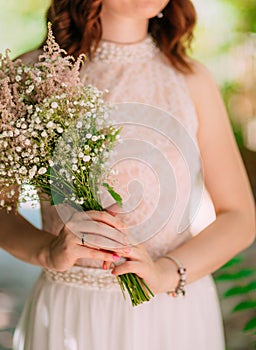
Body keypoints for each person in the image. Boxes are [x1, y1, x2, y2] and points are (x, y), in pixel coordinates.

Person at [0, 0, 255, 349]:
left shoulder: (191, 79)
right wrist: (47, 252)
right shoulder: (28, 77)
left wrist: (164, 273)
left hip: (171, 313)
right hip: (71, 310)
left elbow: (239, 216)